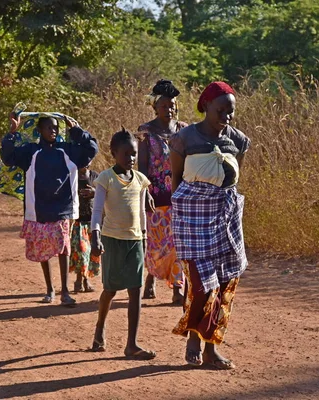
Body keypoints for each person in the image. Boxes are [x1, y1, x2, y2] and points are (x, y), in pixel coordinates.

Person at [169, 81, 251, 370]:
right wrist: (180, 216)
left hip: (226, 218)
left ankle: (211, 346)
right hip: (193, 217)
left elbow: (232, 179)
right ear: (206, 107)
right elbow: (176, 180)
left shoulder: (238, 140)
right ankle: (193, 338)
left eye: (231, 111)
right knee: (200, 283)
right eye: (221, 110)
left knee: (226, 283)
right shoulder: (184, 138)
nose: (227, 116)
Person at [1, 113, 99, 306]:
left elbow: (91, 149)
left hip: (62, 209)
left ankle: (64, 291)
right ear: (39, 131)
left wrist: (77, 131)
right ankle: (49, 290)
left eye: (56, 127)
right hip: (38, 210)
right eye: (49, 127)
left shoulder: (67, 150)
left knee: (63, 249)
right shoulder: (31, 152)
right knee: (43, 252)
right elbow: (8, 157)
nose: (53, 131)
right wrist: (12, 132)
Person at [89, 128, 156, 360]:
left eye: (134, 154)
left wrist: (145, 237)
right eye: (126, 154)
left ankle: (132, 344)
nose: (131, 158)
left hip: (135, 241)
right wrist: (95, 235)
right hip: (112, 241)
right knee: (110, 290)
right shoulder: (106, 178)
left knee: (135, 292)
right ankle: (99, 327)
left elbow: (142, 212)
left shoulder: (140, 180)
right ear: (113, 153)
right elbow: (97, 211)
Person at [137, 79, 188, 304]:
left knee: (178, 243)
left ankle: (177, 288)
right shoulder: (146, 132)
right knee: (157, 244)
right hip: (156, 196)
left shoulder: (185, 130)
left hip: (180, 195)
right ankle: (151, 276)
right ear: (155, 107)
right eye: (165, 106)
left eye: (173, 105)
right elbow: (142, 165)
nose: (170, 109)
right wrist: (144, 192)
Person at [70, 163, 100, 293]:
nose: (86, 162)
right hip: (78, 220)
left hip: (92, 221)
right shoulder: (73, 176)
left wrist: (94, 193)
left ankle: (85, 279)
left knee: (91, 252)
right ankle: (79, 280)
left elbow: (103, 194)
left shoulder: (95, 177)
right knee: (81, 251)